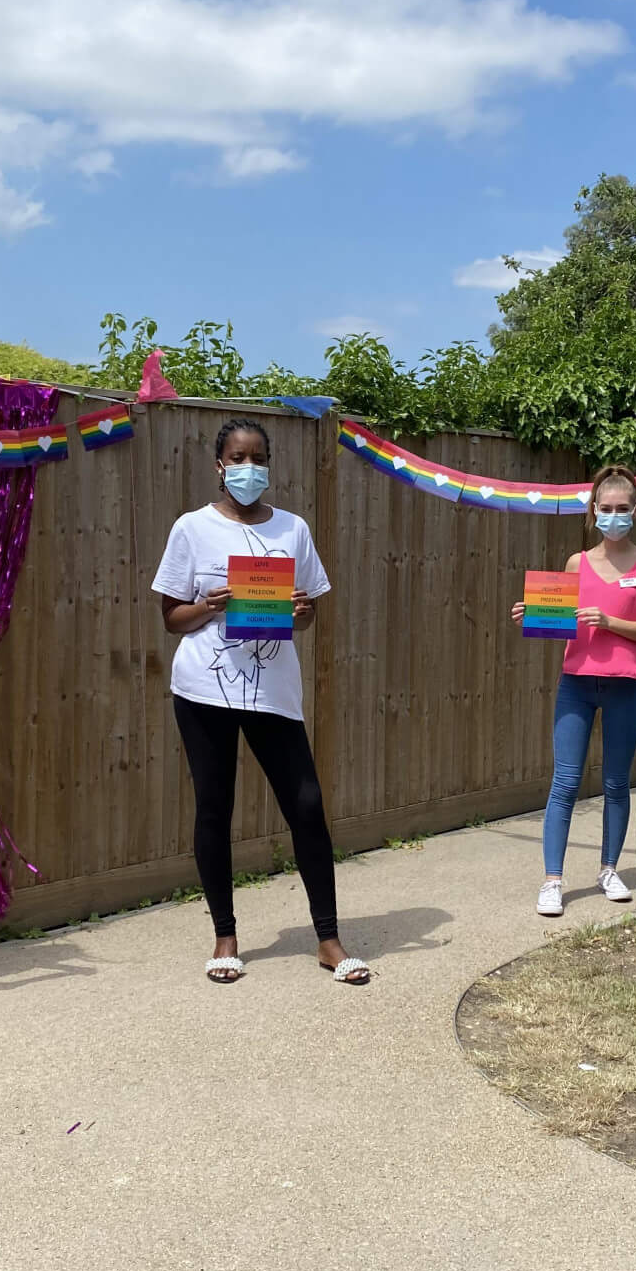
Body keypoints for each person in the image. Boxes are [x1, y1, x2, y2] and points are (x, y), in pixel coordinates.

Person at [152, 417, 370, 986]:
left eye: (257, 458)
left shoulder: (292, 529)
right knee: (214, 808)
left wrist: (301, 614)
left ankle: (328, 938)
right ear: (219, 465)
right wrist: (212, 605)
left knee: (305, 806)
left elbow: (309, 611)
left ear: (268, 464)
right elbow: (172, 618)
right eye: (237, 458)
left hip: (273, 692)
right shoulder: (191, 529)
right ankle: (225, 936)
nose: (248, 468)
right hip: (203, 690)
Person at [510, 467, 636, 918]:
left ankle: (609, 869)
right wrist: (531, 616)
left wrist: (610, 621)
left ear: (635, 510)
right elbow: (559, 622)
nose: (613, 516)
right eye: (606, 508)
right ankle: (552, 880)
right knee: (565, 782)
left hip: (625, 685)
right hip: (576, 684)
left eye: (622, 509)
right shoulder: (577, 563)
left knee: (617, 784)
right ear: (593, 510)